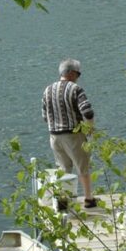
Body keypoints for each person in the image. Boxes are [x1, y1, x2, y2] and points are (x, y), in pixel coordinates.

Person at [43, 59, 98, 210]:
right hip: (73, 135)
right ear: (71, 73)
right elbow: (87, 111)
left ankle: (62, 200)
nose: (78, 77)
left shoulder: (47, 90)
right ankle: (89, 199)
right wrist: (90, 129)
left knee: (63, 168)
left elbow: (44, 116)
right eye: (78, 73)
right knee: (83, 168)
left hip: (54, 136)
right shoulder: (76, 89)